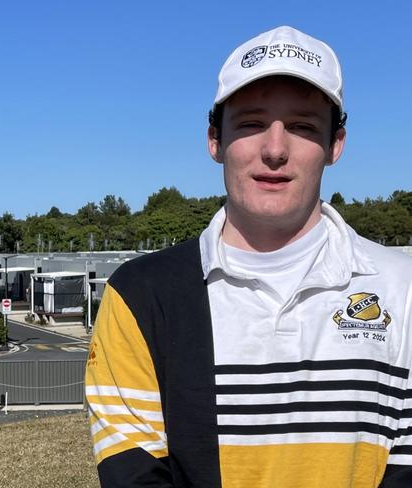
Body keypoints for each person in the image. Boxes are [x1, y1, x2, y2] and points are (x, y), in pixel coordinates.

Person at [85, 26, 412, 488]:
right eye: (252, 123)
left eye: (301, 126)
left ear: (335, 145)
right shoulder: (139, 297)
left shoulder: (404, 288)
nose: (274, 149)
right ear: (214, 140)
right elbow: (134, 475)